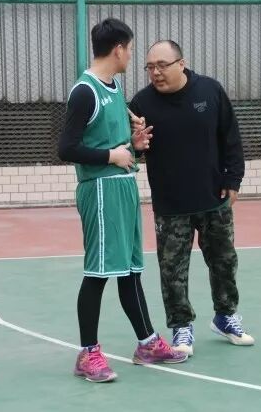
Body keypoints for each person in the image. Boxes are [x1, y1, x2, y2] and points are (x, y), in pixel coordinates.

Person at [58, 20, 187, 383]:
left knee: (130, 270)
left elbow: (116, 146)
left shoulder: (115, 88)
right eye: (129, 49)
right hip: (100, 190)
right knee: (98, 273)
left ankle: (147, 343)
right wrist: (110, 156)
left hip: (124, 188)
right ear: (118, 49)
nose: (131, 55)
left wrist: (134, 146)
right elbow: (66, 148)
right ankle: (88, 353)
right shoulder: (85, 92)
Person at [129, 40, 255, 357]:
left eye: (162, 65)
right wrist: (135, 144)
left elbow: (231, 137)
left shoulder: (210, 91)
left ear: (181, 64)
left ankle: (225, 316)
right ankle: (181, 326)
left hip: (214, 197)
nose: (155, 73)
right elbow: (131, 150)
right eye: (149, 67)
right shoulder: (141, 103)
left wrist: (234, 179)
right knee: (172, 270)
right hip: (171, 204)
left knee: (224, 261)